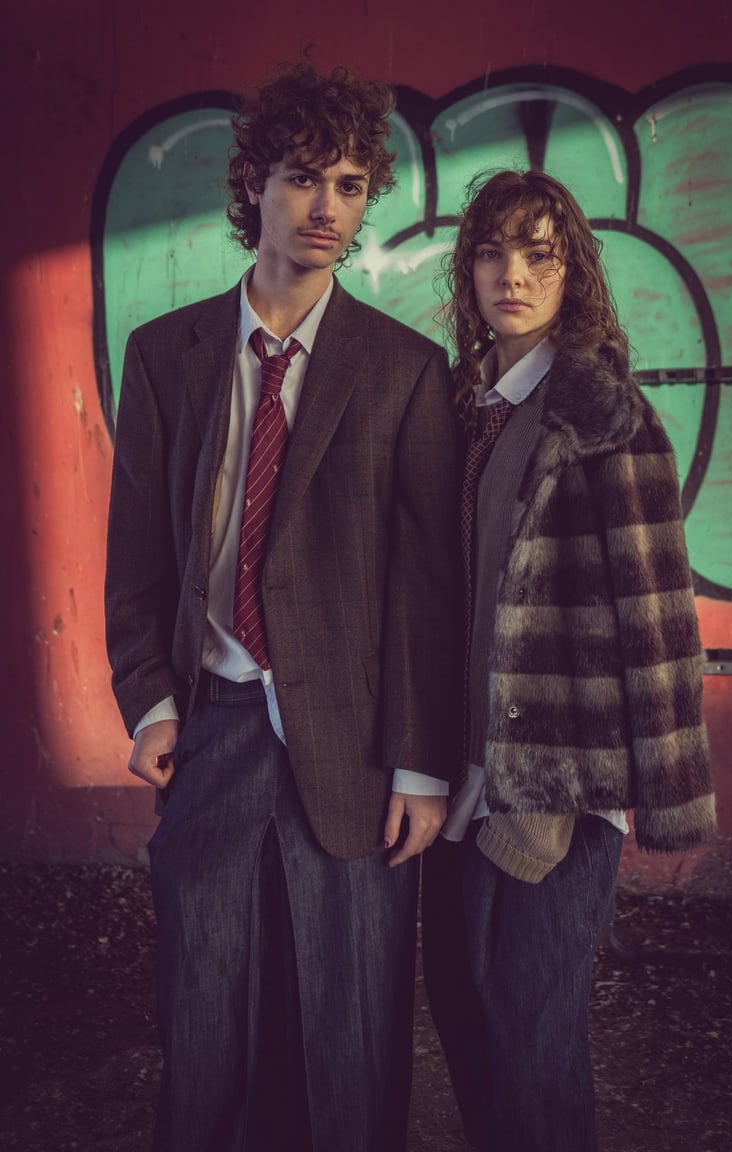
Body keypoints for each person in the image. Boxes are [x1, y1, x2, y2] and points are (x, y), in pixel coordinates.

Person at [104, 62, 463, 1152]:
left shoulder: (406, 370)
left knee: (351, 1033)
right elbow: (136, 558)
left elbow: (428, 585)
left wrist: (421, 765)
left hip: (356, 749)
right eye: (304, 177)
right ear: (254, 181)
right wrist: (149, 702)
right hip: (211, 725)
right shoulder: (165, 356)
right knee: (204, 1022)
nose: (326, 208)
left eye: (350, 186)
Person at [421, 168, 717, 1152]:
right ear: (468, 271)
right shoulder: (465, 404)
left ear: (571, 271)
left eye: (539, 255)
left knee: (532, 1034)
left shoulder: (604, 417)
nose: (513, 275)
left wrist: (661, 795)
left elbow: (658, 615)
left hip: (564, 782)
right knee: (463, 1009)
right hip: (465, 771)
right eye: (493, 253)